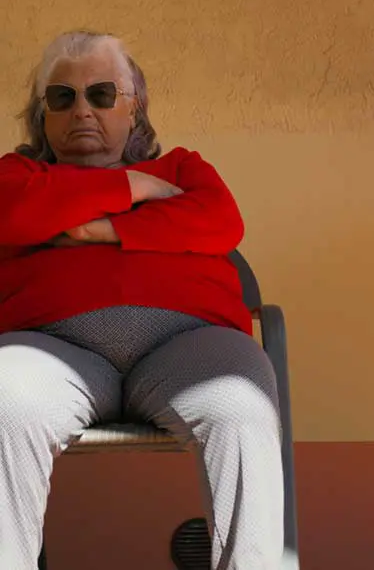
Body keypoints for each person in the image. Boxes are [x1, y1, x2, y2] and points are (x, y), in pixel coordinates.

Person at [0, 31, 284, 568]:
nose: (82, 110)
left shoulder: (180, 169)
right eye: (62, 97)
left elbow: (220, 220)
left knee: (240, 402)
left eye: (102, 94)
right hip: (49, 349)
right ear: (42, 115)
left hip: (189, 346)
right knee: (2, 398)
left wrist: (99, 230)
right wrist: (134, 189)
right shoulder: (20, 176)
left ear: (134, 109)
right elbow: (12, 214)